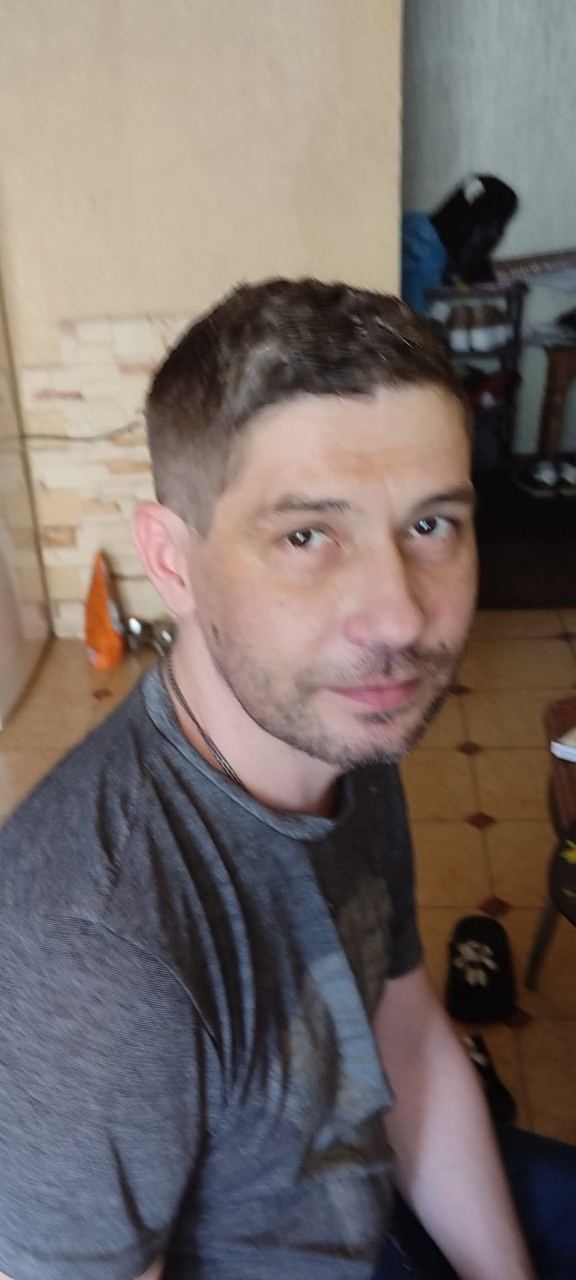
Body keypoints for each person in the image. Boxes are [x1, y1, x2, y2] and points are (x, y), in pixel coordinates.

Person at [0, 278, 574, 1280]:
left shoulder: (344, 727)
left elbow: (404, 1031)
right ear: (171, 560)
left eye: (431, 525)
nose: (398, 617)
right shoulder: (96, 958)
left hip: (370, 1180)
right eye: (307, 535)